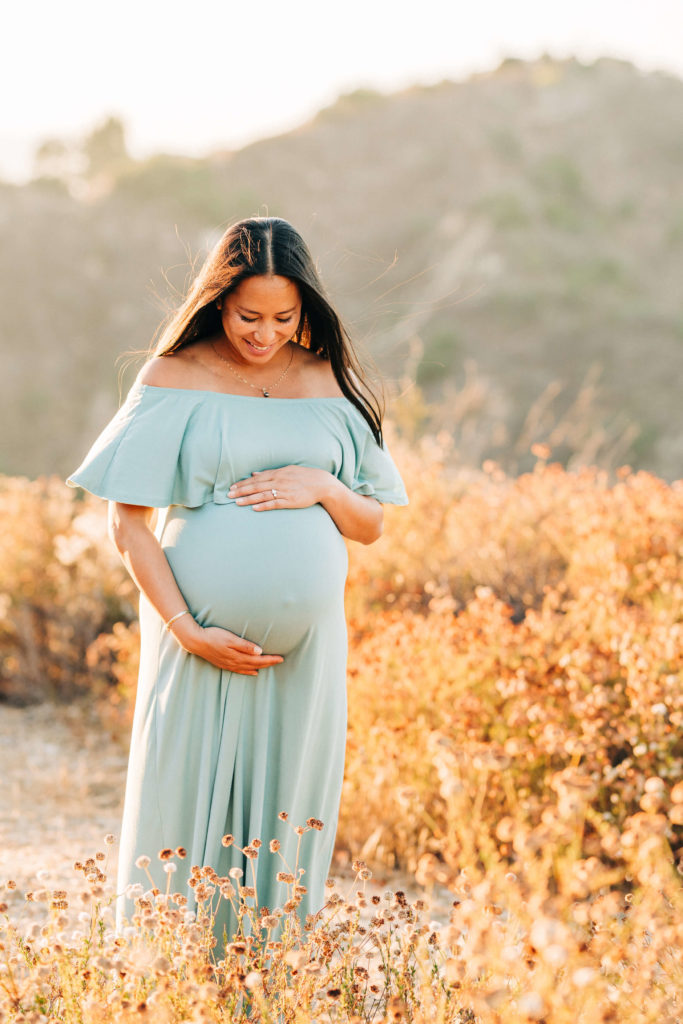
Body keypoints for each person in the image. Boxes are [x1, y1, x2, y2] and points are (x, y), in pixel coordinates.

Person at [66, 216, 408, 947]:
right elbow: (127, 522)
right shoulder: (173, 377)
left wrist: (323, 485)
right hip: (195, 640)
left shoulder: (323, 381)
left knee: (285, 813)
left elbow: (371, 522)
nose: (265, 333)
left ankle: (268, 978)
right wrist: (186, 629)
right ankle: (174, 973)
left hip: (305, 653)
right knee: (183, 807)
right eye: (249, 315)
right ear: (217, 300)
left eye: (284, 317)